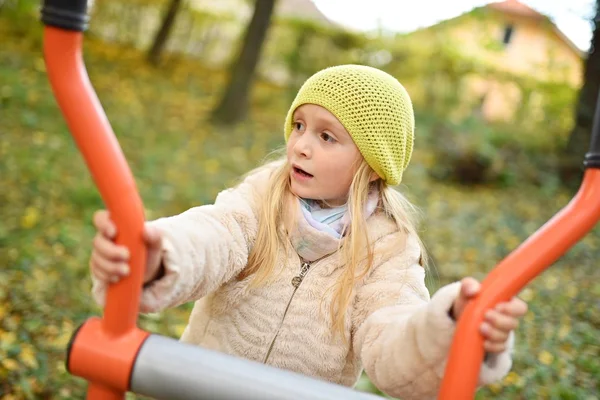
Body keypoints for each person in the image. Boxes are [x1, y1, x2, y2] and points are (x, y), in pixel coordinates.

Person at [89, 65, 527, 399]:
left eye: (326, 136)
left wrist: (452, 328)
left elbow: (392, 342)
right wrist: (161, 255)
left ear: (373, 167)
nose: (299, 144)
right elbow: (214, 235)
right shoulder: (261, 198)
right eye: (299, 126)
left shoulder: (388, 250)